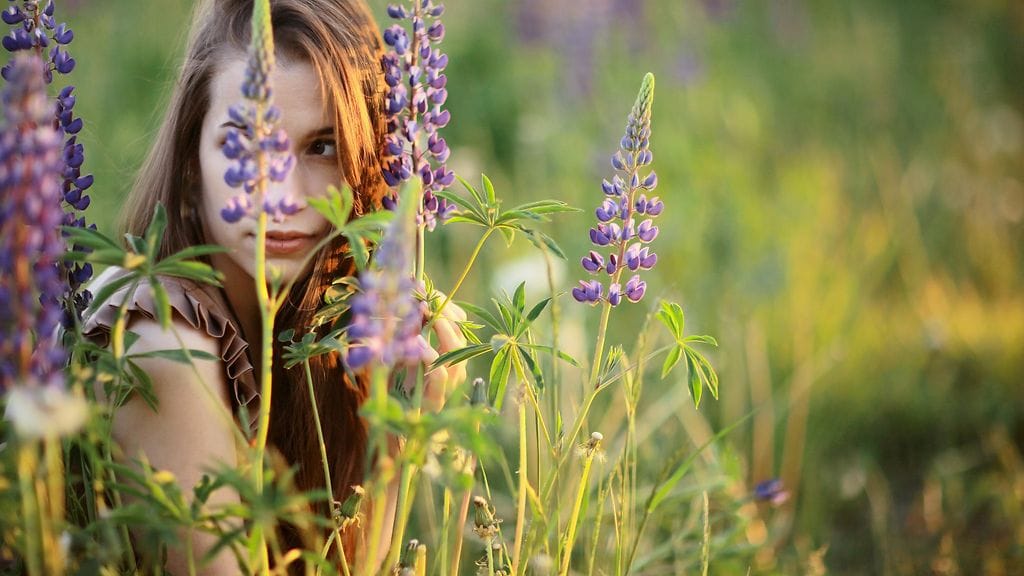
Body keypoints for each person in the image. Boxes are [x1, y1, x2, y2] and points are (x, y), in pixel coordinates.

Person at [81, 0, 467, 572]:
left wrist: (393, 440)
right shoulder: (163, 341)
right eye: (246, 144)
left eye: (322, 146)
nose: (280, 196)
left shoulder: (322, 330)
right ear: (191, 156)